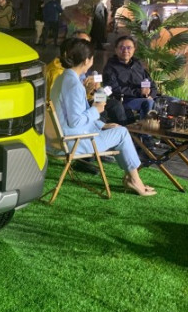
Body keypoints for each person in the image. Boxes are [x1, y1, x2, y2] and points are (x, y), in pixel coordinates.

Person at [50, 37, 156, 196]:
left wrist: (102, 125)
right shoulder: (74, 84)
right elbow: (76, 121)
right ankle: (134, 180)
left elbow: (72, 116)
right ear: (87, 61)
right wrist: (96, 109)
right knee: (122, 132)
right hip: (74, 142)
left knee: (117, 128)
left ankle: (132, 178)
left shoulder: (63, 78)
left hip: (60, 139)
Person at [102, 35, 157, 125]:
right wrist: (139, 92)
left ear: (134, 49)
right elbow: (113, 89)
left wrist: (151, 94)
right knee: (148, 102)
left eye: (129, 47)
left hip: (145, 97)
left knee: (172, 101)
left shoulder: (138, 64)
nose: (125, 50)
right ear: (116, 49)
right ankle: (145, 132)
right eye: (122, 47)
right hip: (125, 100)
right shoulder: (110, 67)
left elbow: (151, 83)